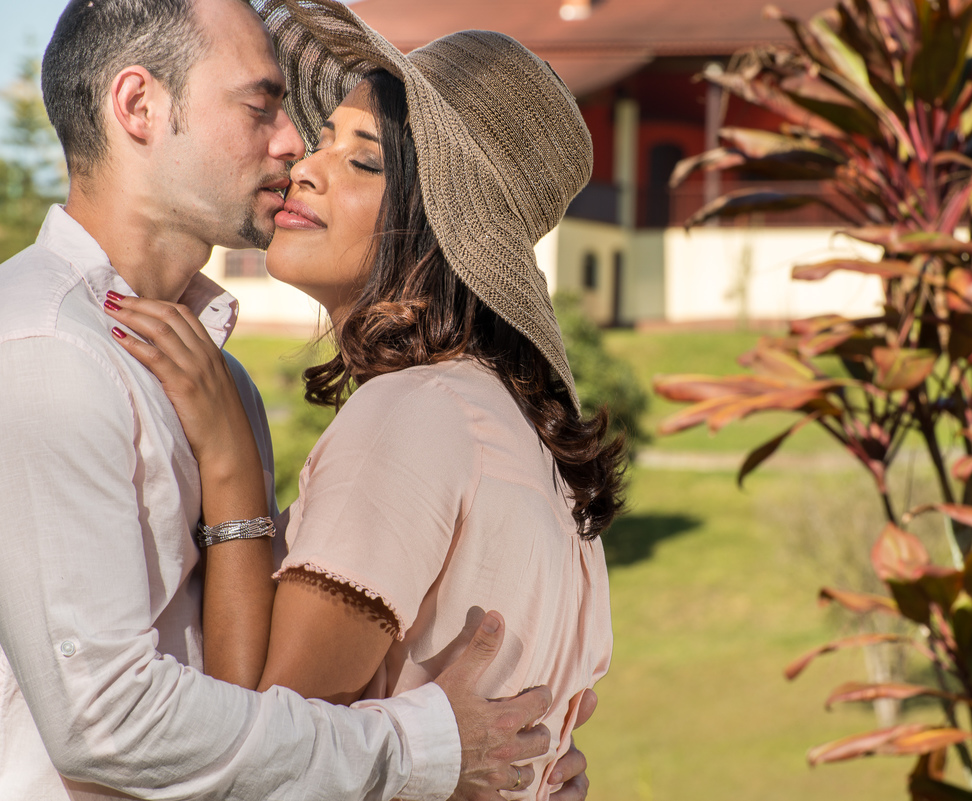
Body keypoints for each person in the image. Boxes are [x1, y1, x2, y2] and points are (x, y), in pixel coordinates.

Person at [0, 0, 592, 798]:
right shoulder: (46, 348)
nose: (294, 149)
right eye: (261, 105)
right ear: (138, 106)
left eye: (362, 158)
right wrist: (434, 750)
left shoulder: (238, 387)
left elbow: (252, 708)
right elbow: (109, 721)